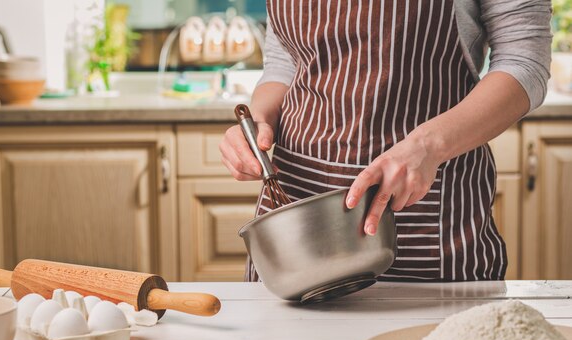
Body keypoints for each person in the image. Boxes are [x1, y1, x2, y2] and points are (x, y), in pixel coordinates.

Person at [220, 0, 552, 282]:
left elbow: (524, 63)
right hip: (293, 212)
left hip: (425, 222)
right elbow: (285, 63)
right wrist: (258, 120)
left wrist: (428, 146)